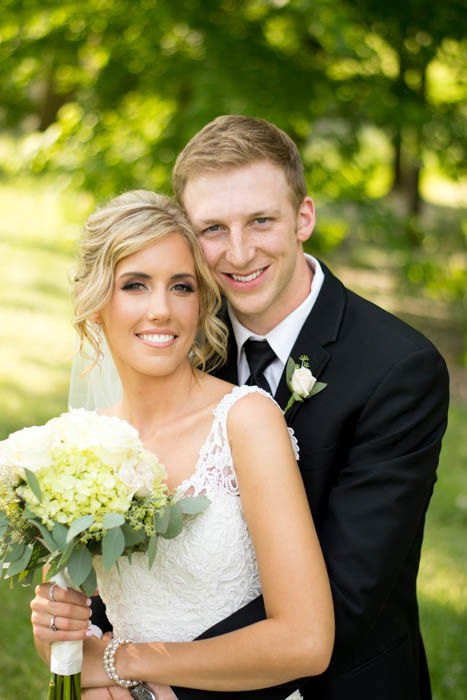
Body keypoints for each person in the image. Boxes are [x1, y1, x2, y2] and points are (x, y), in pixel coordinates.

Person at [63, 114, 448, 699]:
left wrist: (139, 676)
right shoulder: (177, 331)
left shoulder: (398, 370)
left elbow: (350, 595)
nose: (239, 253)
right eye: (213, 228)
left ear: (303, 217)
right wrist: (83, 629)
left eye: (261, 221)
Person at [30, 190, 334, 699]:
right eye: (135, 285)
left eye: (181, 286)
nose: (161, 311)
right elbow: (69, 653)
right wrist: (53, 627)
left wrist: (122, 663)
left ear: (202, 301)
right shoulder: (77, 445)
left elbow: (306, 642)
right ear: (96, 300)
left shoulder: (245, 421)